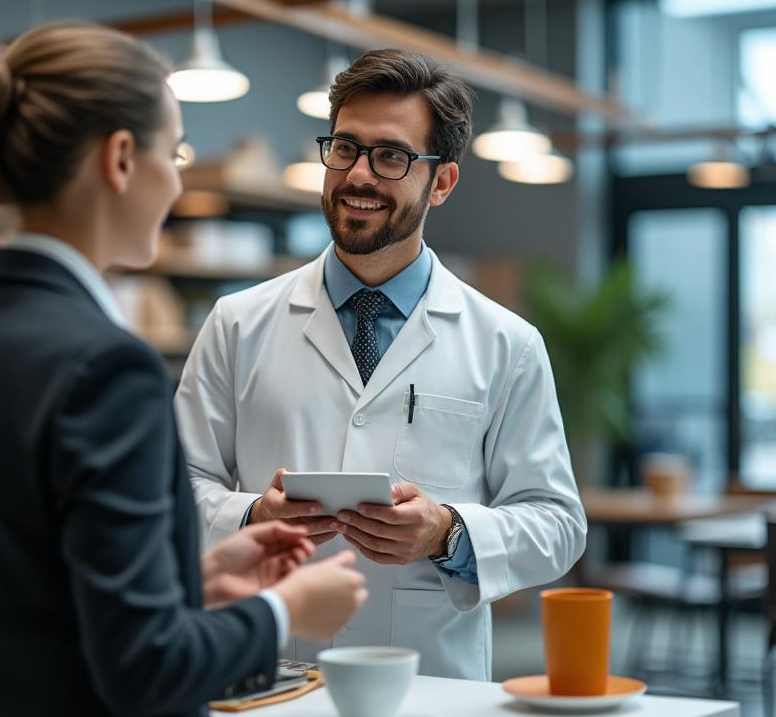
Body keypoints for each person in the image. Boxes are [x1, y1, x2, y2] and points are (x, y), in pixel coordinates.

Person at [0, 23, 367, 717]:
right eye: (174, 153)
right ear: (120, 158)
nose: (178, 181)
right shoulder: (105, 368)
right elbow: (144, 666)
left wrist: (193, 578)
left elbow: (28, 596)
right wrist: (287, 611)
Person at [175, 48, 587, 680]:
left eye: (391, 156)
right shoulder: (238, 323)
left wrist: (448, 534)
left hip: (432, 688)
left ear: (441, 182)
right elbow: (175, 491)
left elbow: (557, 523)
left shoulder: (507, 343)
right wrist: (255, 516)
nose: (359, 175)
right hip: (268, 680)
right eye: (345, 147)